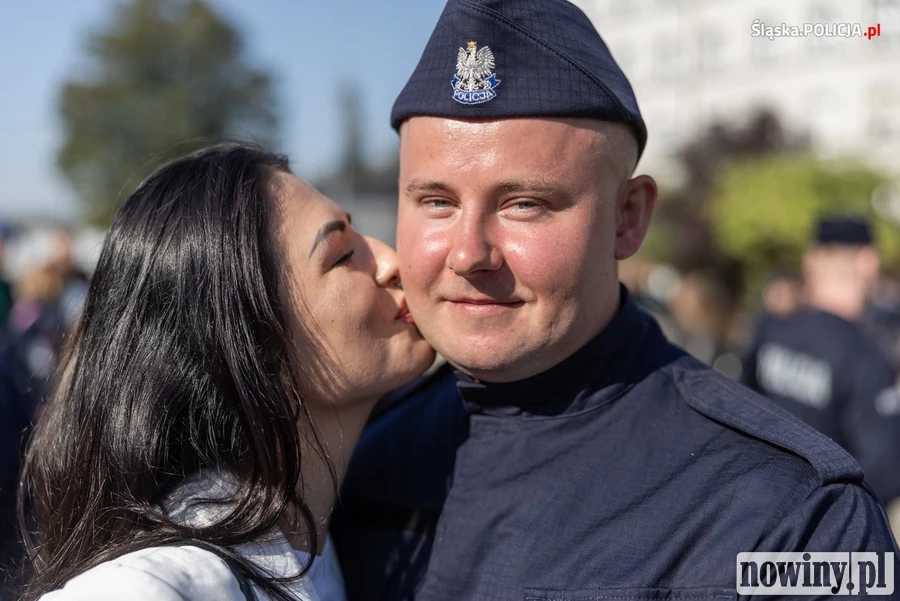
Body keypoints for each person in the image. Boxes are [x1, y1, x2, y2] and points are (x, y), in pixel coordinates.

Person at [330, 1, 900, 599]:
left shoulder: (795, 519)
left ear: (628, 218)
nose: (469, 254)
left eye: (524, 203)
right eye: (436, 202)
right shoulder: (358, 454)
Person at [17, 144, 435, 601]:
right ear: (249, 344)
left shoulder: (322, 548)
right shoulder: (157, 584)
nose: (392, 262)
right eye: (342, 255)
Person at [744, 215, 900, 505]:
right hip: (828, 528)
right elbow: (885, 472)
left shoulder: (771, 332)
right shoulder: (865, 357)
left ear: (811, 260)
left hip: (758, 509)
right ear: (868, 261)